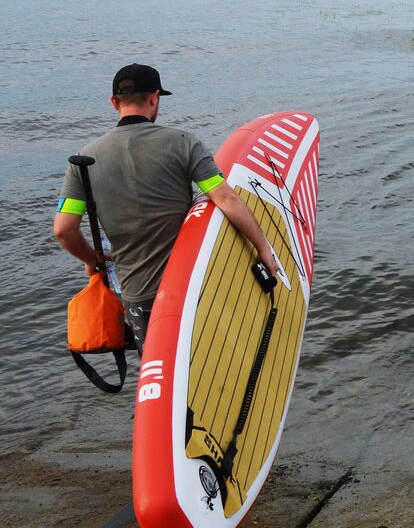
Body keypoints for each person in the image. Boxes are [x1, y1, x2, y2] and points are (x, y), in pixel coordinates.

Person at [52, 65, 282, 354]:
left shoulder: (83, 161)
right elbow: (226, 199)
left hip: (137, 295)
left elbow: (64, 229)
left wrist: (92, 260)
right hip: (188, 283)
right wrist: (263, 248)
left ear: (114, 102)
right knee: (205, 363)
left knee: (158, 371)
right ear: (154, 98)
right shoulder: (183, 143)